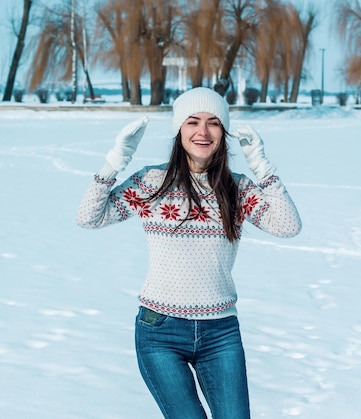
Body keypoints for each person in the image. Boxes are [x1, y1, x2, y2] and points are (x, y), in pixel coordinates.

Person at [76, 87, 301, 418]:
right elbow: (88, 218)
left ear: (223, 132)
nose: (203, 131)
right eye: (192, 121)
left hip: (220, 332)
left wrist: (263, 168)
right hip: (160, 331)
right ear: (179, 129)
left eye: (213, 123)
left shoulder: (236, 189)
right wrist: (114, 162)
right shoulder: (153, 183)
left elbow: (287, 225)